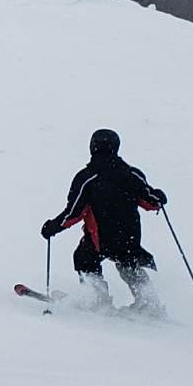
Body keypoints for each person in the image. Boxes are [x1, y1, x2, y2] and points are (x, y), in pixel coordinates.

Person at [41, 128, 167, 311]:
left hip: (101, 239)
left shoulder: (87, 178)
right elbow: (150, 202)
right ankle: (149, 302)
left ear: (92, 147)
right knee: (128, 263)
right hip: (129, 238)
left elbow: (74, 213)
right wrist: (159, 197)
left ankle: (97, 298)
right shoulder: (132, 175)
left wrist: (53, 227)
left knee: (84, 257)